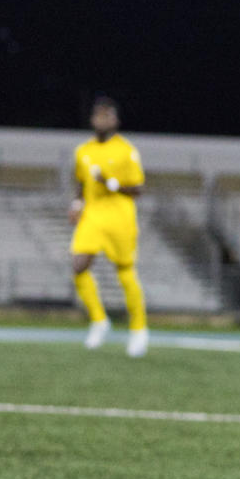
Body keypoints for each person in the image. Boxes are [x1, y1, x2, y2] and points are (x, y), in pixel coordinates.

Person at [69, 96, 149, 358]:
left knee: (125, 272)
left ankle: (139, 329)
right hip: (93, 216)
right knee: (78, 266)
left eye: (107, 115)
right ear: (92, 119)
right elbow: (81, 183)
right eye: (98, 115)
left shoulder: (126, 150)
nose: (102, 120)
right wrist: (77, 203)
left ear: (115, 120)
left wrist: (111, 183)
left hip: (120, 217)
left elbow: (138, 189)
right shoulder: (83, 151)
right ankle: (99, 321)